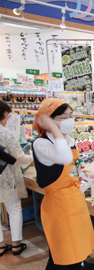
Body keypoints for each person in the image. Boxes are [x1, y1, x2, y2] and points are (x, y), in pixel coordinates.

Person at [32, 98, 94, 270]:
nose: (70, 121)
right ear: (49, 121)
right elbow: (63, 158)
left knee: (76, 253)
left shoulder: (65, 139)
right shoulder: (41, 143)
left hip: (74, 201)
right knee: (60, 259)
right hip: (58, 207)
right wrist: (51, 128)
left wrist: (86, 175)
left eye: (72, 116)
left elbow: (72, 165)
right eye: (64, 117)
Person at [0, 100, 32, 256]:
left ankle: (0, 245)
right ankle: (16, 244)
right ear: (5, 114)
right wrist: (33, 158)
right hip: (6, 176)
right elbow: (18, 156)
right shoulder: (6, 133)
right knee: (13, 208)